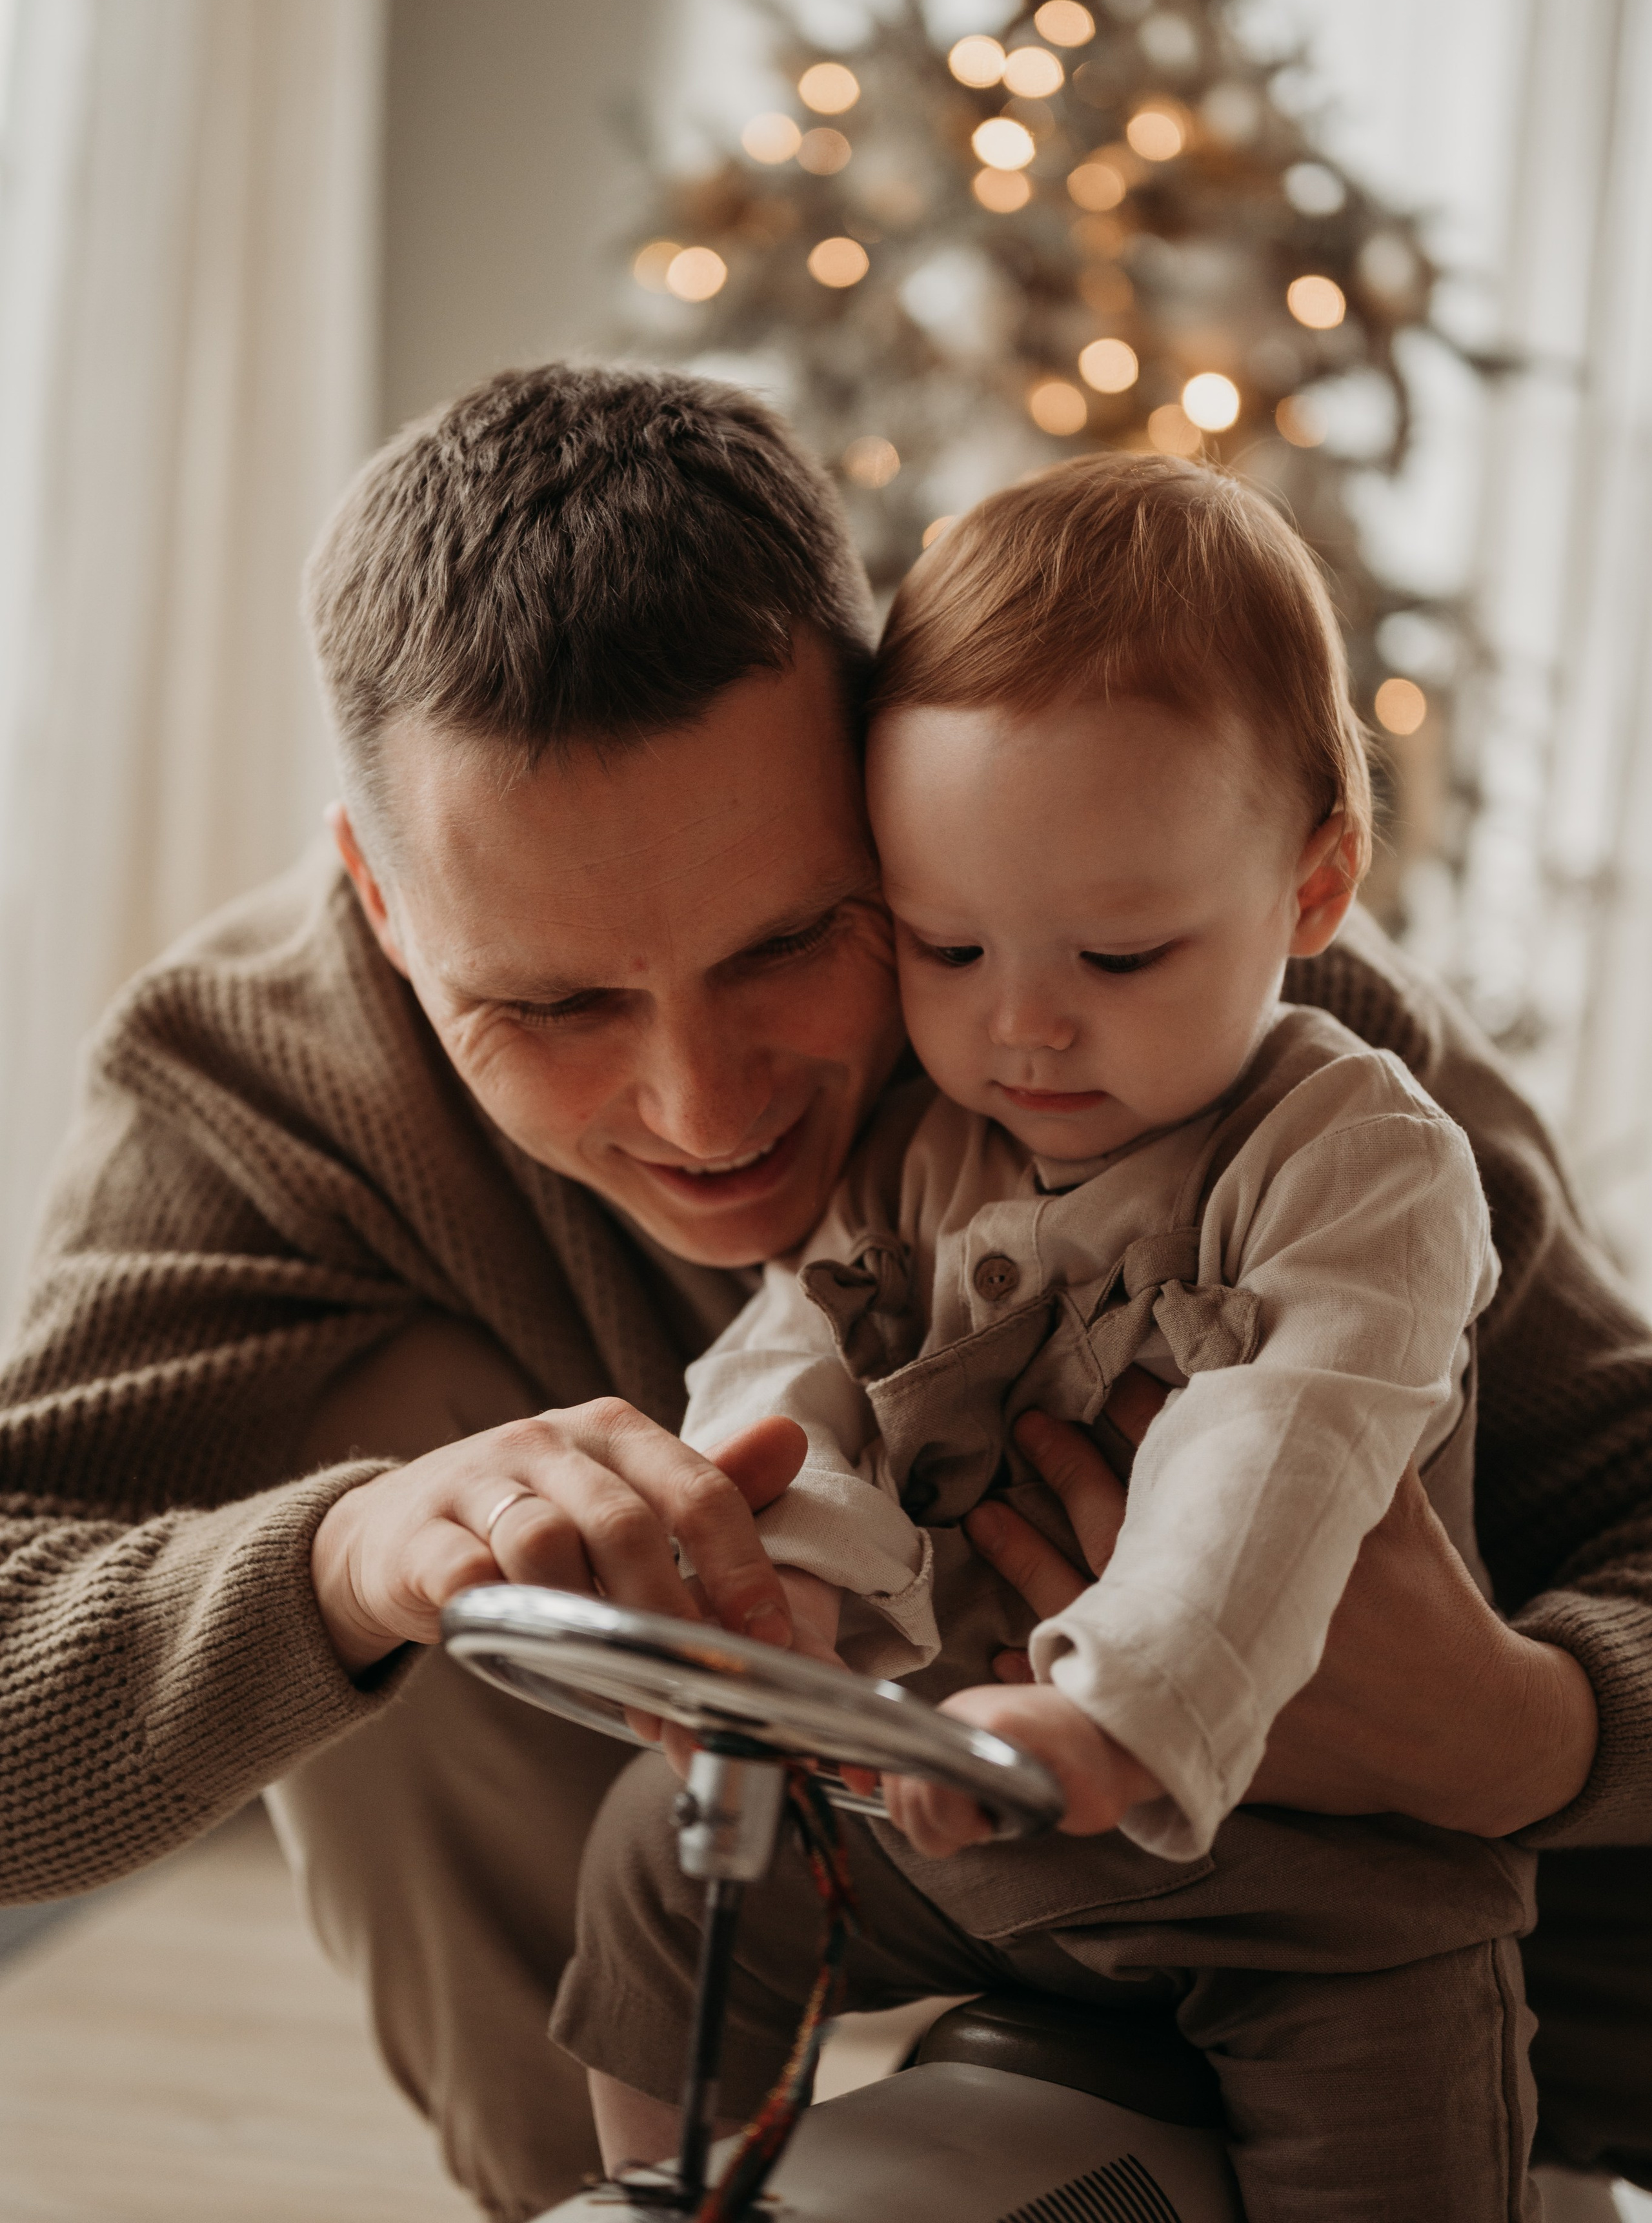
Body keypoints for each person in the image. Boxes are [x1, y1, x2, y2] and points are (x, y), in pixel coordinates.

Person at [0, 363, 1642, 2222]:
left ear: (882, 780)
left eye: (797, 939)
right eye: (550, 1004)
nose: (705, 1112)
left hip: (1390, 1896)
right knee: (386, 1478)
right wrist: (351, 1562)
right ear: (379, 898)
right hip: (810, 1854)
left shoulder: (1218, 1032)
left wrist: (1534, 1723)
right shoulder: (255, 1094)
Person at [561, 454, 1537, 2220]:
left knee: (1402, 2158)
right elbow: (803, 1361)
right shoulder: (925, 1145)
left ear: (1312, 894)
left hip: (1313, 1889)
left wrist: (1119, 1719)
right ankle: (666, 2187)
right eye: (946, 945)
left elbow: (1280, 1444)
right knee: (664, 1852)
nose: (1022, 1029)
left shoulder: (1360, 1161)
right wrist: (769, 1577)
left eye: (1122, 954)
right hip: (971, 1815)